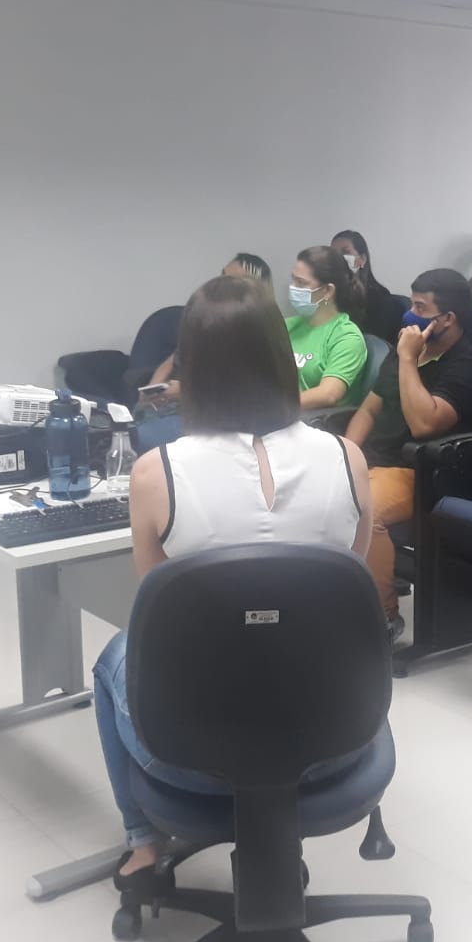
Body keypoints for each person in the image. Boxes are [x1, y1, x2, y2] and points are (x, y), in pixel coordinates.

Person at [92, 275, 373, 890]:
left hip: (193, 755)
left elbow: (160, 623)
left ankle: (143, 842)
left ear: (191, 368)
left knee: (116, 654)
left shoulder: (156, 473)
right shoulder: (347, 460)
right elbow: (350, 593)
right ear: (281, 354)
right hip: (338, 736)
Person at [345, 270, 472, 636]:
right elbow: (369, 409)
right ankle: (338, 599)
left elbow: (424, 425)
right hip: (374, 460)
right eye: (411, 304)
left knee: (362, 511)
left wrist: (409, 360)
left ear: (447, 319)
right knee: (317, 495)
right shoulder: (403, 352)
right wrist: (345, 454)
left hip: (419, 471)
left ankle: (383, 617)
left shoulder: (465, 367)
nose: (410, 315)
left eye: (420, 308)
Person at [150, 253, 275, 391]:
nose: (220, 282)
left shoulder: (259, 334)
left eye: (231, 280)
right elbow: (174, 359)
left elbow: (239, 386)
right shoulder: (205, 316)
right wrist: (151, 390)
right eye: (223, 274)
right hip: (174, 396)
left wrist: (184, 390)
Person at [285, 245, 370, 409]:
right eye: (293, 280)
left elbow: (328, 394)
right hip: (279, 416)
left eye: (301, 283)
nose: (293, 288)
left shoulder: (347, 337)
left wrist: (273, 408)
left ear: (327, 291)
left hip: (313, 419)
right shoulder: (289, 325)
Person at [332, 229, 405, 343]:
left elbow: (371, 342)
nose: (338, 257)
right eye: (333, 254)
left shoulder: (380, 299)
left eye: (345, 252)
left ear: (362, 259)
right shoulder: (329, 296)